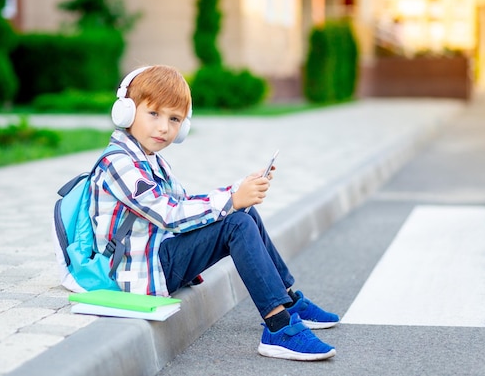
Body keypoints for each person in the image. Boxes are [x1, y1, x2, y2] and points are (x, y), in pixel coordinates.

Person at [89, 65, 339, 361]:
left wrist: (239, 191)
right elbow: (170, 214)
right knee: (235, 224)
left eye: (174, 119)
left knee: (243, 214)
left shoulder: (151, 161)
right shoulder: (119, 165)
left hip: (158, 255)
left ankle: (288, 301)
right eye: (153, 114)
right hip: (139, 272)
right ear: (126, 112)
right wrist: (232, 200)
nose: (163, 128)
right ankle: (278, 327)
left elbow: (186, 201)